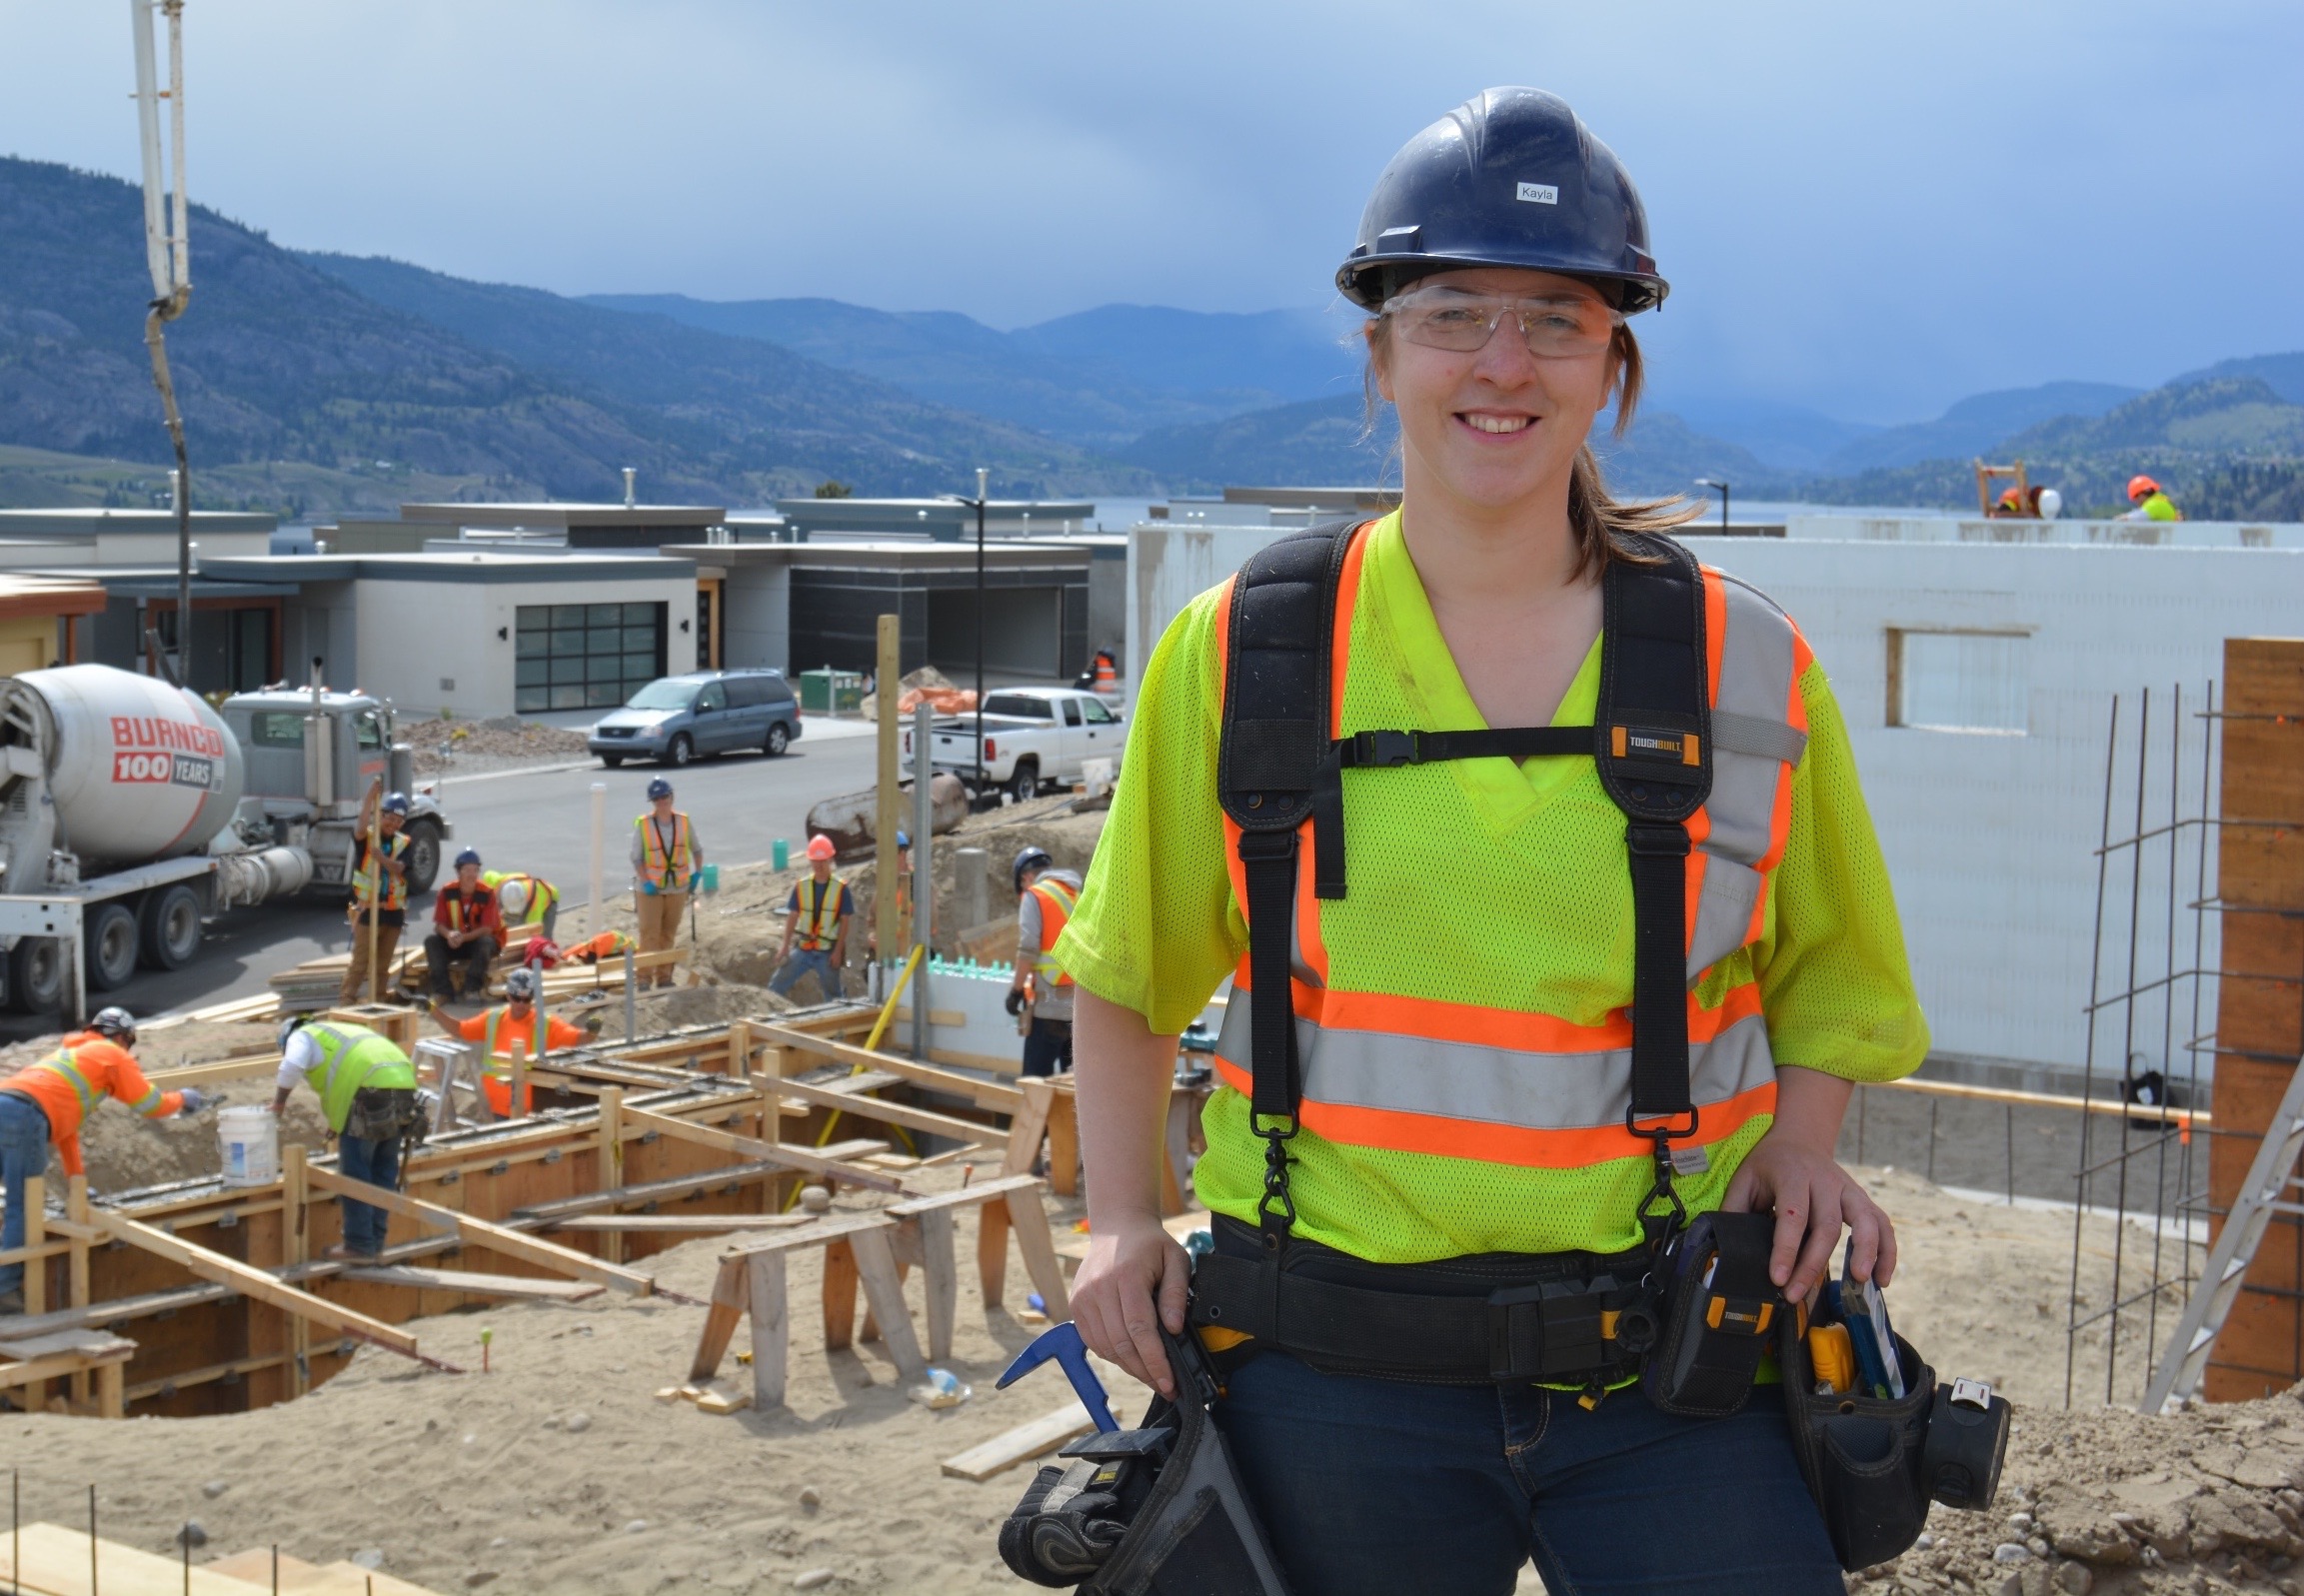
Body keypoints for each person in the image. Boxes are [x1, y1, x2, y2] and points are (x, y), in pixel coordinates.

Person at [1057, 88, 1927, 1596]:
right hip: (1325, 1360)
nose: (1502, 364)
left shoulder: (1745, 664)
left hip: (1674, 1364)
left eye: (1556, 320)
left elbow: (1833, 971)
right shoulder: (1249, 649)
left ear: (1614, 366)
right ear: (1382, 351)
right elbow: (1129, 968)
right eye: (1453, 313)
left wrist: (1802, 1145)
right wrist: (1120, 1218)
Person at [0, 1007, 204, 1312]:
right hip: (26, 1116)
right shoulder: (113, 1056)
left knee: (15, 1203)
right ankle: (5, 1291)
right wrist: (183, 1099)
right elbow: (150, 1104)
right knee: (24, 1205)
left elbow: (66, 1132)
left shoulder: (71, 1056)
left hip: (7, 1101)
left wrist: (77, 1183)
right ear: (122, 1038)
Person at [272, 1015, 419, 1260]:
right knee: (383, 1168)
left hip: (370, 1090)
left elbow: (291, 1066)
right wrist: (337, 1124)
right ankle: (375, 1243)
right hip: (404, 1084)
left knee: (355, 1171)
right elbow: (344, 1077)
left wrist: (278, 1103)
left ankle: (359, 1244)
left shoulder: (302, 1035)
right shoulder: (339, 1032)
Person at [429, 965, 599, 1116]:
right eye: (517, 999)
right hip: (494, 1108)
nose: (521, 1004)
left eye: (526, 1000)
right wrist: (433, 1010)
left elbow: (579, 1039)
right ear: (508, 996)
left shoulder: (545, 1024)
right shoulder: (494, 1018)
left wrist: (592, 1030)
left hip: (527, 1112)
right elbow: (459, 1029)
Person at [1007, 845, 1081, 1077]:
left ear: (1027, 877)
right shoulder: (1076, 895)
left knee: (1035, 1084)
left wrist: (1015, 992)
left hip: (1048, 1008)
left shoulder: (1035, 895)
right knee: (1073, 1086)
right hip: (1078, 1010)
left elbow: (1027, 949)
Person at [340, 785, 414, 1004]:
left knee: (383, 964)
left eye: (398, 821)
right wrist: (369, 798)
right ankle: (347, 998)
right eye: (390, 818)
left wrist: (382, 859)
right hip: (369, 909)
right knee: (360, 961)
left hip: (393, 912)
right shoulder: (369, 838)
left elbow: (400, 868)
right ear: (381, 815)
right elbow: (360, 828)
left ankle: (379, 999)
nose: (393, 824)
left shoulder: (403, 843)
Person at [630, 777, 703, 989]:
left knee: (668, 935)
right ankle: (644, 979)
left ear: (672, 797)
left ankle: (664, 978)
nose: (662, 802)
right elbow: (636, 858)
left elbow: (697, 849)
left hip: (677, 888)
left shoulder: (683, 821)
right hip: (650, 889)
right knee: (649, 934)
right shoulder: (644, 824)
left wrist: (697, 874)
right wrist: (646, 881)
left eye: (665, 797)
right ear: (653, 802)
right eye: (657, 799)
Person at [772, 834, 854, 999]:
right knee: (776, 984)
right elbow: (793, 916)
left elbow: (845, 922)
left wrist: (837, 952)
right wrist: (785, 946)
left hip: (827, 950)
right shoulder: (802, 886)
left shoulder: (841, 888)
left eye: (822, 861)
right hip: (804, 947)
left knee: (834, 996)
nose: (818, 865)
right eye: (815, 861)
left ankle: (838, 1008)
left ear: (830, 859)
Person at [425, 848, 502, 1003]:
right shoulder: (446, 892)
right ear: (458, 871)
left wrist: (463, 937)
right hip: (454, 941)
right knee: (431, 941)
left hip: (476, 943)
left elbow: (487, 928)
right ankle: (443, 991)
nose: (472, 874)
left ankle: (472, 989)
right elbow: (439, 925)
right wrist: (449, 935)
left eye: (475, 870)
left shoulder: (487, 893)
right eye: (467, 870)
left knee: (486, 942)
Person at [487, 868, 561, 942]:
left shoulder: (534, 907)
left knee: (544, 938)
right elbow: (488, 875)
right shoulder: (498, 882)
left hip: (550, 900)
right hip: (526, 888)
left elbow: (534, 930)